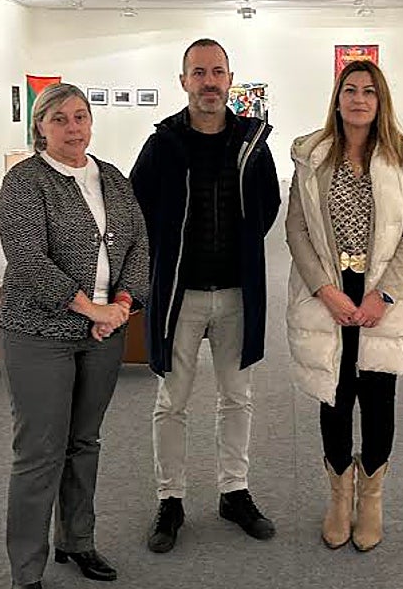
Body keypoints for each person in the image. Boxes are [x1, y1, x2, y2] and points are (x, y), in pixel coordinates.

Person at [0, 82, 149, 589]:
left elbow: (139, 245)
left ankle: (78, 541)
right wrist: (90, 309)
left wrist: (122, 305)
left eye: (80, 116)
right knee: (40, 450)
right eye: (59, 119)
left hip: (104, 333)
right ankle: (26, 570)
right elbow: (28, 259)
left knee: (85, 441)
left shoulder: (112, 178)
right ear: (40, 126)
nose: (73, 127)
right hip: (39, 331)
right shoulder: (25, 181)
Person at [130, 38, 281, 552]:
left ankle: (233, 492)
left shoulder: (252, 142)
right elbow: (138, 210)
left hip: (238, 295)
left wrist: (238, 251)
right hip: (180, 297)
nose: (209, 81)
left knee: (237, 398)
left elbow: (268, 206)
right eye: (199, 72)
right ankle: (170, 499)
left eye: (217, 72)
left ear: (229, 79)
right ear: (183, 81)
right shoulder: (162, 143)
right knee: (171, 402)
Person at [284, 59, 403, 552]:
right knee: (335, 391)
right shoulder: (311, 154)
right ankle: (338, 498)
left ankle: (371, 500)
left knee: (377, 394)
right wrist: (325, 289)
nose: (359, 99)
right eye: (350, 90)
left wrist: (383, 293)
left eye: (369, 91)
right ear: (338, 97)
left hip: (382, 292)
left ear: (380, 98)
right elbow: (297, 228)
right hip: (329, 288)